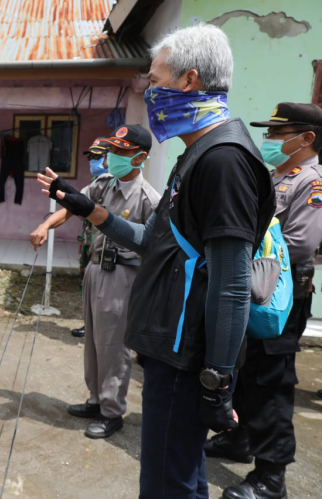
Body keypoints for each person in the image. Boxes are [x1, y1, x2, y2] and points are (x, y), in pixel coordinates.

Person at [37, 24, 275, 496]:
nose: (148, 90)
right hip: (170, 349)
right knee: (178, 474)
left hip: (188, 359)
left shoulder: (223, 161)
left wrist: (217, 380)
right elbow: (154, 241)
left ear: (188, 81)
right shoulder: (196, 155)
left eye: (154, 79)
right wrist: (91, 210)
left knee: (168, 482)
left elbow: (230, 284)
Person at [208, 103, 322, 499]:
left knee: (271, 382)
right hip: (254, 285)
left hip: (282, 296)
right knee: (244, 367)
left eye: (279, 133)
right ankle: (238, 439)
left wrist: (241, 249)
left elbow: (300, 242)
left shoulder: (312, 181)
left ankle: (271, 477)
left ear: (306, 138)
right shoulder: (276, 175)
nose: (270, 140)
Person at [30, 125, 160, 439]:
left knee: (114, 347)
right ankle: (95, 400)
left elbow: (153, 248)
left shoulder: (149, 199)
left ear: (140, 157)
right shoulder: (104, 184)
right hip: (95, 270)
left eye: (121, 151)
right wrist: (45, 224)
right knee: (92, 343)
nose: (113, 156)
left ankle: (112, 412)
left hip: (123, 276)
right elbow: (73, 207)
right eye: (112, 149)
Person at [72, 137, 111, 338]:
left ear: (109, 158)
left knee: (103, 286)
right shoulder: (94, 183)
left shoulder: (114, 183)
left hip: (105, 245)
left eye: (97, 157)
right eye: (91, 157)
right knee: (86, 283)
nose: (92, 161)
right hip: (88, 239)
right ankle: (89, 324)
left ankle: (100, 328)